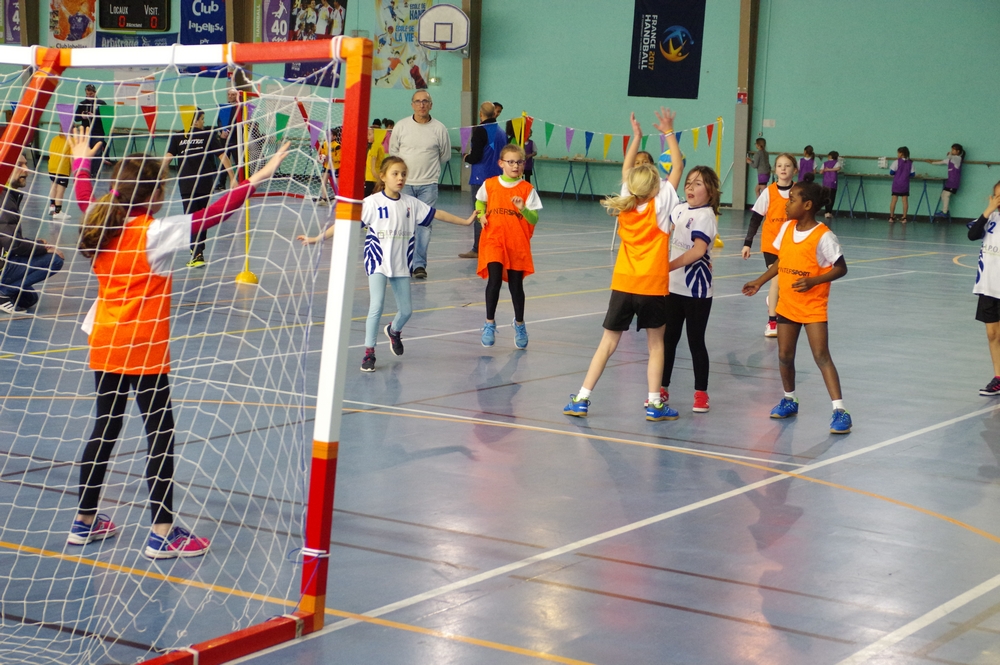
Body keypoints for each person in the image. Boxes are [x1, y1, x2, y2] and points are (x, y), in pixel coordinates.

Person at [66, 126, 291, 558]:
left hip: (105, 342)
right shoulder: (154, 232)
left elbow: (84, 196)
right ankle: (162, 531)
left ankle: (84, 521)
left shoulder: (100, 219)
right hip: (144, 346)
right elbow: (212, 215)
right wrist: (257, 178)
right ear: (155, 194)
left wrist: (80, 163)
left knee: (105, 428)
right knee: (161, 433)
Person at [297, 156, 474, 372]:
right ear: (383, 176)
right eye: (395, 174)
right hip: (377, 261)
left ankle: (394, 330)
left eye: (403, 174)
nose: (400, 178)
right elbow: (344, 223)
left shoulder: (411, 203)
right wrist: (317, 238)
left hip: (401, 264)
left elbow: (438, 214)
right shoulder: (371, 203)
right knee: (376, 306)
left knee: (406, 311)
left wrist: (466, 221)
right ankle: (369, 353)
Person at [563, 109, 682, 420]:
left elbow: (627, 168)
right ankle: (654, 404)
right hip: (652, 286)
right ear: (655, 187)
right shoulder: (661, 204)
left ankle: (582, 398)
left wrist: (637, 137)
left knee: (607, 343)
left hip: (624, 283)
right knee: (656, 346)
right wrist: (669, 132)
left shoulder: (627, 205)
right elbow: (678, 166)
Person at [741, 176, 852, 434]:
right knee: (784, 355)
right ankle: (789, 399)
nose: (786, 204)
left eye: (792, 200)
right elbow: (782, 261)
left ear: (807, 205)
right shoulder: (787, 229)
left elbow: (841, 268)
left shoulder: (823, 235)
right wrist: (759, 281)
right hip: (788, 305)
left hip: (812, 306)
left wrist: (814, 281)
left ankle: (840, 411)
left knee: (821, 356)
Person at [660, 166, 721, 414]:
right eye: (688, 182)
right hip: (673, 288)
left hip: (696, 291)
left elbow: (697, 251)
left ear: (711, 191)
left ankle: (701, 393)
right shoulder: (679, 209)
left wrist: (667, 266)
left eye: (698, 183)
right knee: (668, 340)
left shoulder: (706, 216)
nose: (690, 187)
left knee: (696, 341)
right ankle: (661, 387)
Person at [476, 143, 543, 350]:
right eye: (511, 162)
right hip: (494, 240)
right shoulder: (489, 185)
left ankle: (520, 324)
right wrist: (481, 215)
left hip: (516, 243)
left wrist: (523, 208)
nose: (515, 166)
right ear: (501, 163)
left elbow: (534, 219)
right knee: (494, 280)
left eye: (519, 162)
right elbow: (480, 202)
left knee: (516, 286)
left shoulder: (527, 189)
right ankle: (489, 323)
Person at [388, 91, 451, 279]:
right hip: (404, 185)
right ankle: (401, 262)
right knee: (401, 223)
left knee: (424, 225)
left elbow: (445, 155)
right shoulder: (401, 126)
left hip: (428, 185)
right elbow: (393, 152)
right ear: (412, 105)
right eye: (418, 101)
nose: (421, 105)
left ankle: (419, 265)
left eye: (425, 101)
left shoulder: (439, 129)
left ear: (431, 105)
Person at [164, 109, 236, 267]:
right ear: (194, 120)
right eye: (202, 119)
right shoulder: (204, 135)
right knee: (201, 218)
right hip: (203, 183)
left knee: (191, 218)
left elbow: (167, 158)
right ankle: (198, 252)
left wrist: (158, 176)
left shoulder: (180, 136)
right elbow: (223, 156)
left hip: (188, 184)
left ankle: (197, 253)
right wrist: (232, 177)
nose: (204, 122)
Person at [0, 154, 65, 314]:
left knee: (28, 299)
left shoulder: (8, 196)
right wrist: (42, 248)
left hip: (5, 259)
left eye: (26, 164)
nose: (27, 170)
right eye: (20, 165)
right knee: (54, 260)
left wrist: (37, 243)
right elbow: (12, 243)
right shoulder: (4, 200)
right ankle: (2, 294)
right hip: (3, 265)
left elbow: (7, 237)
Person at [743, 152, 797, 337]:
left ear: (794, 170)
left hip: (792, 245)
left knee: (786, 283)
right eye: (780, 165)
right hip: (772, 245)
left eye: (787, 165)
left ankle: (773, 301)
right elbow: (755, 219)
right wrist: (747, 243)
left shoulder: (798, 192)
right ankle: (772, 322)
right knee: (777, 279)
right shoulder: (768, 192)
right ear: (775, 169)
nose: (783, 168)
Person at [459, 101, 506, 259]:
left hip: (481, 178)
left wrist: (466, 157)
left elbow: (476, 156)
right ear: (494, 113)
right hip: (498, 177)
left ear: (481, 114)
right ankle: (495, 247)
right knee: (495, 214)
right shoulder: (501, 132)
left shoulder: (480, 131)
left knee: (479, 214)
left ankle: (478, 248)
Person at [966, 181, 1000, 396]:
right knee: (992, 334)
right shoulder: (990, 219)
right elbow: (972, 235)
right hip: (989, 287)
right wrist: (987, 211)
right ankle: (999, 377)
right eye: (997, 196)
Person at [74, 84, 107, 166]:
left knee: (97, 154)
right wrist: (82, 116)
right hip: (85, 133)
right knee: (85, 153)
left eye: (91, 94)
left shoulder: (101, 103)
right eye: (87, 94)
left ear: (95, 92)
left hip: (98, 133)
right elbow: (76, 118)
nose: (89, 96)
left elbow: (106, 119)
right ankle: (86, 169)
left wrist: (95, 116)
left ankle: (96, 171)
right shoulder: (82, 104)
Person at [932, 143, 965, 219]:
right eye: (951, 149)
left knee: (946, 195)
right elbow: (942, 162)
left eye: (953, 150)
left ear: (958, 151)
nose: (951, 151)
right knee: (943, 195)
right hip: (949, 182)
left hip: (954, 182)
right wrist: (931, 162)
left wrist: (949, 154)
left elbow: (950, 156)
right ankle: (946, 210)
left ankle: (944, 212)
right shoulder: (951, 160)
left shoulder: (958, 158)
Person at [47, 131, 73, 220]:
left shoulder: (54, 139)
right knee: (60, 190)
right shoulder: (71, 140)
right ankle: (58, 211)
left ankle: (52, 205)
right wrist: (75, 170)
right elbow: (71, 157)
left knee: (53, 185)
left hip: (52, 167)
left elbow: (50, 153)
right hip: (62, 168)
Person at [887, 146, 915, 223]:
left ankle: (891, 217)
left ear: (901, 153)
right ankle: (904, 218)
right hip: (905, 184)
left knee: (894, 200)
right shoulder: (910, 163)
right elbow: (912, 174)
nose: (897, 154)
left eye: (898, 153)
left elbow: (891, 172)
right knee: (905, 201)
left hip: (896, 183)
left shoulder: (896, 162)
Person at [817, 151, 842, 219]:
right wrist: (831, 169)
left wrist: (827, 170)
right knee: (832, 197)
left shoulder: (825, 163)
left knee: (826, 197)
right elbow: (838, 168)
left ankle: (826, 212)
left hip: (825, 182)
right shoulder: (836, 163)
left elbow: (821, 172)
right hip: (833, 182)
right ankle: (829, 212)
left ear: (830, 156)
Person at [365, 125, 387, 197]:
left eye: (369, 134)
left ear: (377, 134)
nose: (367, 137)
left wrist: (380, 180)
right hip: (373, 178)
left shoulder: (375, 146)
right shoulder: (379, 146)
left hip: (372, 179)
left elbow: (373, 168)